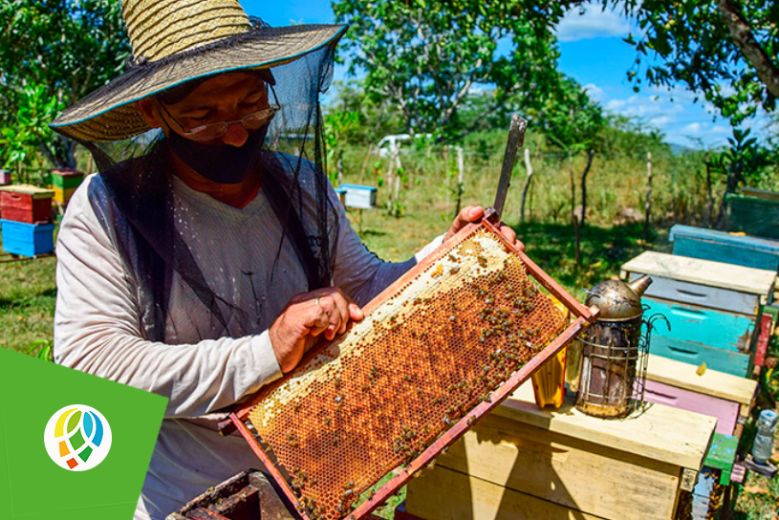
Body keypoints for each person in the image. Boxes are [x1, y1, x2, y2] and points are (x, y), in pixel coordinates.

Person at [50, 1, 519, 518]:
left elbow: (364, 285)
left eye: (252, 106)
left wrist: (446, 259)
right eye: (203, 117)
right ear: (153, 112)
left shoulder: (301, 186)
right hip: (182, 499)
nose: (234, 133)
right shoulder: (106, 207)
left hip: (310, 477)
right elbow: (91, 364)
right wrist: (268, 350)